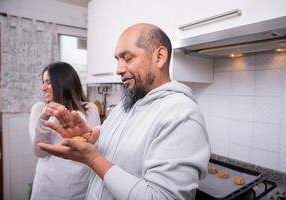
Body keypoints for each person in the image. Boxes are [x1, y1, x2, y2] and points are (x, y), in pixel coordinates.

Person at [38, 24, 211, 200]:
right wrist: (86, 139)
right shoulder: (125, 105)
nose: (118, 69)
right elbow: (112, 156)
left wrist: (92, 158)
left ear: (159, 57)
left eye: (127, 59)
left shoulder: (181, 114)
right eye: (118, 60)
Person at [29, 62, 101, 200]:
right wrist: (44, 118)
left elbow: (93, 148)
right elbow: (39, 152)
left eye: (48, 83)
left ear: (64, 82)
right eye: (43, 82)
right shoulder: (39, 109)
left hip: (80, 183)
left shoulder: (89, 109)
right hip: (48, 185)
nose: (43, 88)